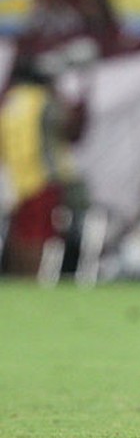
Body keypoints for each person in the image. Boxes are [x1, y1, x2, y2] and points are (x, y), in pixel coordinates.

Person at [0, 57, 77, 276]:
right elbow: (69, 128)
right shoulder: (44, 101)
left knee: (19, 232)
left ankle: (16, 278)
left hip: (14, 178)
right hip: (42, 177)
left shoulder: (10, 101)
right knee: (39, 235)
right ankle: (31, 280)